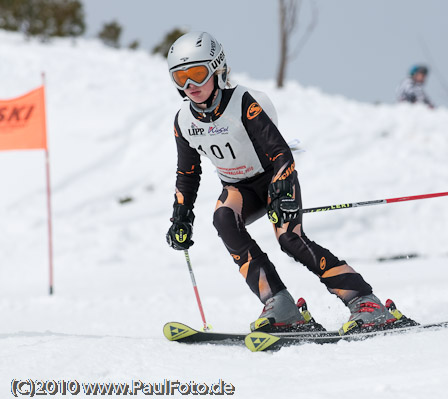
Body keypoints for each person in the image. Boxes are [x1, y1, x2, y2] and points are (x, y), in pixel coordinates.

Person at [164, 32, 418, 334]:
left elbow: (280, 153)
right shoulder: (184, 121)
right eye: (180, 77)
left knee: (290, 239)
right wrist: (181, 217)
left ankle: (366, 302)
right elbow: (187, 173)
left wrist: (282, 190)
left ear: (218, 69)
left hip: (275, 178)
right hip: (238, 188)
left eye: (196, 74)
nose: (189, 86)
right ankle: (280, 305)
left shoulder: (244, 103)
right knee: (223, 220)